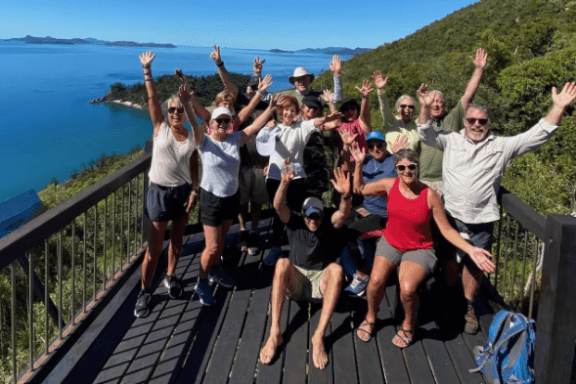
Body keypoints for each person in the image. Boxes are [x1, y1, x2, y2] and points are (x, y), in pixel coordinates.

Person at [417, 81, 576, 334]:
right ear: (464, 122)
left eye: (482, 121)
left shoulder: (501, 146)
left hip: (482, 218)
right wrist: (424, 108)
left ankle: (468, 305)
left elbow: (537, 136)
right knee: (448, 260)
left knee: (475, 265)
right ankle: (449, 295)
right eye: (471, 120)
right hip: (451, 216)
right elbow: (424, 133)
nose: (476, 125)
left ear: (489, 123)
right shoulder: (451, 140)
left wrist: (557, 108)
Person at [350, 145, 496, 347]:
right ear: (397, 169)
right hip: (391, 242)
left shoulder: (429, 195)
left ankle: (410, 323)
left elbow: (446, 230)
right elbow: (360, 189)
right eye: (401, 168)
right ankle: (371, 317)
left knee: (407, 289)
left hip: (419, 248)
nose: (407, 171)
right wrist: (358, 164)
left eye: (412, 167)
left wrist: (471, 249)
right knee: (375, 281)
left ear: (418, 168)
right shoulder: (389, 185)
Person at [179, 81, 284, 306]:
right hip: (211, 200)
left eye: (227, 120)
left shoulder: (235, 139)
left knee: (222, 241)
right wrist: (188, 103)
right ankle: (202, 281)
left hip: (231, 198)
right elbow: (196, 121)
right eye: (219, 120)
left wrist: (270, 108)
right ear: (213, 122)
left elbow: (254, 126)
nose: (224, 124)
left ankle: (215, 270)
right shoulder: (203, 141)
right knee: (213, 246)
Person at [259, 159, 352, 370]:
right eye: (309, 216)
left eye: (317, 217)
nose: (313, 221)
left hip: (320, 283)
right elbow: (277, 206)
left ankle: (318, 337)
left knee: (337, 269)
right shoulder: (294, 222)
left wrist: (346, 196)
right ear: (303, 215)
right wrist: (283, 183)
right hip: (297, 281)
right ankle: (275, 333)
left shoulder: (328, 224)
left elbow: (344, 214)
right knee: (282, 263)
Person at [134, 52, 199, 318]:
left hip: (182, 193)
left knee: (177, 241)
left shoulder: (192, 136)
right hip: (159, 193)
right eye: (171, 109)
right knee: (153, 248)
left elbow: (194, 165)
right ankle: (144, 291)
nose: (174, 112)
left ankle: (170, 276)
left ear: (185, 113)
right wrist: (147, 71)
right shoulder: (159, 126)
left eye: (178, 109)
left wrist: (194, 189)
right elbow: (151, 98)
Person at [261, 96, 342, 266]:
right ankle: (276, 248)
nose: (288, 112)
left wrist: (327, 114)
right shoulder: (273, 127)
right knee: (279, 211)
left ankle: (299, 250)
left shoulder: (303, 126)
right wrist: (267, 164)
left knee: (298, 212)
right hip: (277, 176)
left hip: (299, 176)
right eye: (285, 109)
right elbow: (263, 146)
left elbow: (327, 123)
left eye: (292, 109)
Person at [338, 130, 407, 296]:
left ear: (385, 145)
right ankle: (360, 265)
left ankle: (362, 274)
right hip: (366, 208)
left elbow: (408, 175)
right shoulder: (366, 160)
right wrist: (348, 149)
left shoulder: (393, 160)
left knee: (350, 233)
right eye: (371, 146)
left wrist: (401, 155)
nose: (376, 148)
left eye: (379, 145)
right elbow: (345, 169)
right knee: (340, 225)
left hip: (384, 214)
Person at [260, 55, 344, 109]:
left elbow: (338, 98)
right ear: (294, 82)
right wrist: (258, 76)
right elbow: (264, 98)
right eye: (298, 79)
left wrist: (336, 76)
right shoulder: (286, 95)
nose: (302, 82)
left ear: (309, 81)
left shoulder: (318, 96)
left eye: (304, 79)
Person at [372, 70, 419, 154]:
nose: (407, 109)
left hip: (411, 165)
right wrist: (381, 90)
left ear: (414, 110)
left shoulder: (417, 126)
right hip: (392, 164)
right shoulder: (391, 121)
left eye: (411, 107)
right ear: (397, 108)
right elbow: (384, 108)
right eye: (403, 106)